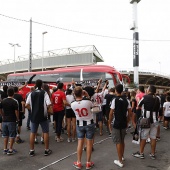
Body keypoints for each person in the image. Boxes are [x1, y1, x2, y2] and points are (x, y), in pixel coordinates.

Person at [132, 85, 160, 160]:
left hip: (146, 121)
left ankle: (141, 153)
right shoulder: (158, 98)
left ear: (149, 90)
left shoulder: (145, 97)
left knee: (143, 137)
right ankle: (153, 154)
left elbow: (138, 105)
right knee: (153, 137)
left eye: (147, 89)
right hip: (155, 121)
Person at [25, 79, 52, 156]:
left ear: (36, 85)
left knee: (33, 132)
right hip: (43, 115)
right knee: (45, 132)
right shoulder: (44, 93)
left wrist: (32, 109)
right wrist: (46, 109)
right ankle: (46, 150)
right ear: (42, 85)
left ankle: (31, 150)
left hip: (34, 116)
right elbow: (49, 104)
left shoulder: (31, 93)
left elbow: (26, 105)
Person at [71, 86, 95, 170]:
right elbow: (93, 104)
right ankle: (88, 163)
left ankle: (79, 162)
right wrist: (87, 95)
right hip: (89, 123)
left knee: (80, 143)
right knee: (89, 143)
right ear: (82, 93)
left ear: (74, 94)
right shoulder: (88, 101)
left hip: (80, 124)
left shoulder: (72, 104)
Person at [109, 84, 131, 168]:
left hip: (117, 123)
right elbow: (130, 112)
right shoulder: (126, 100)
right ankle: (122, 156)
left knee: (118, 141)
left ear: (115, 90)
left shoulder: (115, 99)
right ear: (122, 90)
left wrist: (109, 122)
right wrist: (128, 121)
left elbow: (111, 113)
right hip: (124, 122)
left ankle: (120, 161)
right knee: (122, 140)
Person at [0, 87, 19, 155]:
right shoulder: (14, 101)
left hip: (4, 120)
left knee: (5, 135)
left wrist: (2, 115)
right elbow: (16, 111)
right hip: (12, 120)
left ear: (7, 93)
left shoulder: (3, 101)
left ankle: (5, 149)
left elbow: (0, 109)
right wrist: (17, 118)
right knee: (12, 135)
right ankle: (10, 149)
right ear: (13, 93)